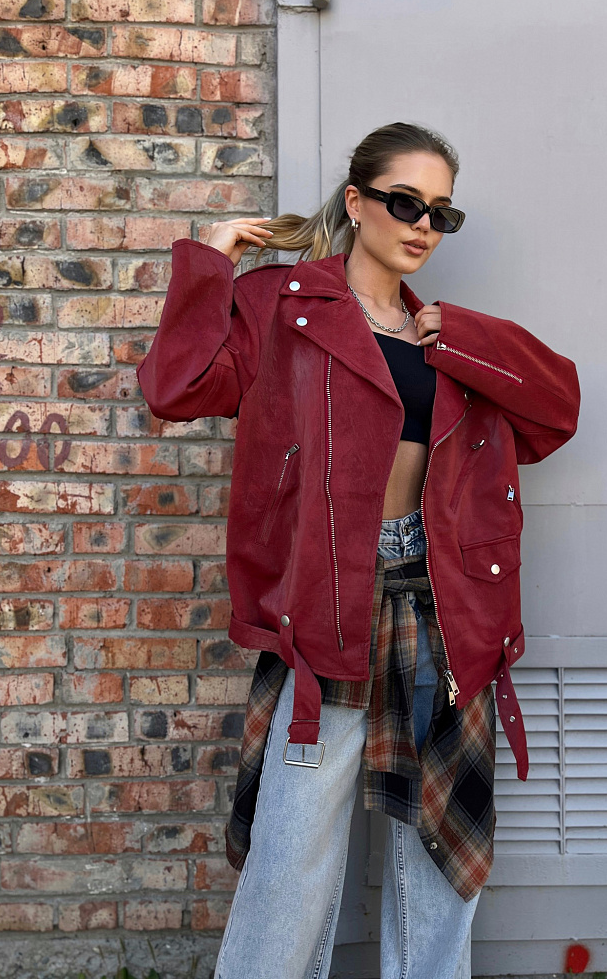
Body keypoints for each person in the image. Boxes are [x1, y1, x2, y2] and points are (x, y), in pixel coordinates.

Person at [136, 121, 581, 979]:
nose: (423, 225)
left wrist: (466, 338)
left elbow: (555, 413)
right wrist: (209, 264)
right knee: (292, 852)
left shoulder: (444, 336)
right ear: (357, 200)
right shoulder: (281, 304)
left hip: (444, 597)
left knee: (441, 855)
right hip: (330, 594)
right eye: (406, 203)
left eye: (442, 213)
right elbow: (176, 388)